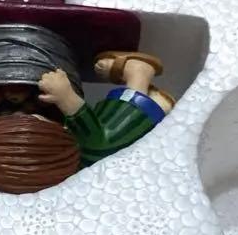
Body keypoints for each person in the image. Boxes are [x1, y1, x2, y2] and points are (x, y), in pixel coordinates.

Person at [38, 50, 174, 166]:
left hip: (137, 132)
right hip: (122, 125)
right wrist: (64, 95)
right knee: (124, 107)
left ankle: (158, 103)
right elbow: (80, 116)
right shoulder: (87, 145)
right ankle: (139, 73)